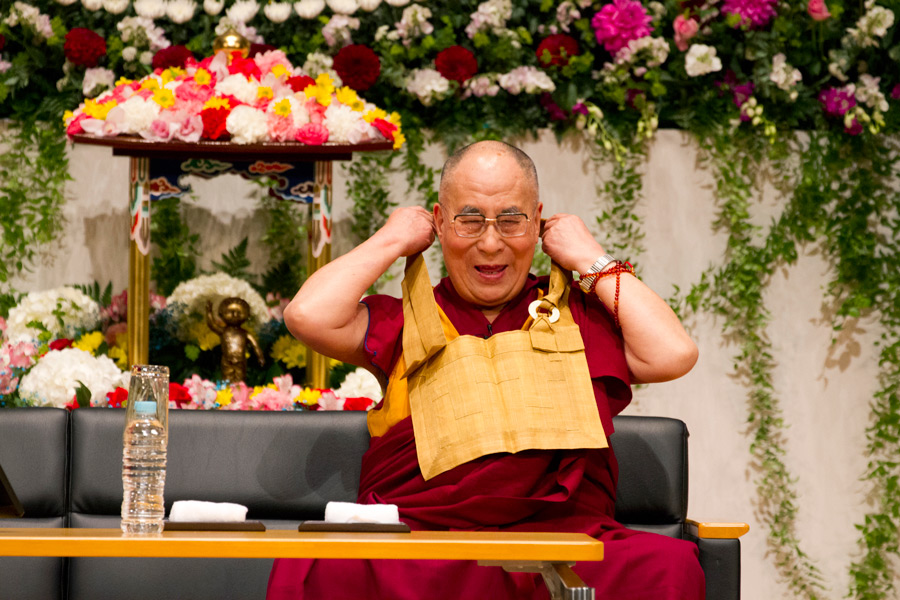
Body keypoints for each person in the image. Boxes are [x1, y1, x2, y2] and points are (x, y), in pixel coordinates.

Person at [268, 140, 703, 599]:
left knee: (665, 565)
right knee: (319, 563)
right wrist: (392, 238)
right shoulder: (408, 318)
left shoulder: (579, 317)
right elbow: (307, 315)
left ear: (538, 222)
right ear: (439, 221)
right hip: (426, 540)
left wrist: (588, 258)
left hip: (561, 539)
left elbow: (673, 353)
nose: (491, 242)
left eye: (511, 220)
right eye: (469, 219)